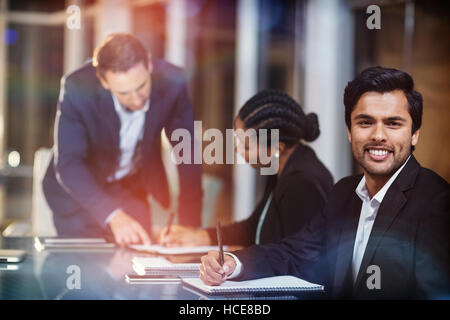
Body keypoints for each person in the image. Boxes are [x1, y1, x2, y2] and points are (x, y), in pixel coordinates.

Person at [199, 67, 450, 299]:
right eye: (365, 122)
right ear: (350, 131)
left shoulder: (437, 202)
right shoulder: (344, 192)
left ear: (415, 134)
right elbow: (295, 253)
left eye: (393, 123)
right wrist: (233, 262)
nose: (378, 135)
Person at [43, 33, 202, 245]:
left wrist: (190, 228)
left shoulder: (172, 82)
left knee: (139, 259)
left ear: (149, 64)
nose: (136, 99)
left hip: (130, 191)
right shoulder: (78, 87)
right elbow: (70, 164)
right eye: (124, 93)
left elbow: (188, 154)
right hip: (79, 195)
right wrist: (112, 215)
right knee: (86, 269)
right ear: (104, 81)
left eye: (141, 87)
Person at [158, 89, 333, 247]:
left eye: (246, 146)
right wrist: (201, 236)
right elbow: (254, 228)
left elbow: (294, 257)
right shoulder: (281, 168)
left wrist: (236, 260)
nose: (237, 150)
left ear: (276, 148)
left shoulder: (302, 183)